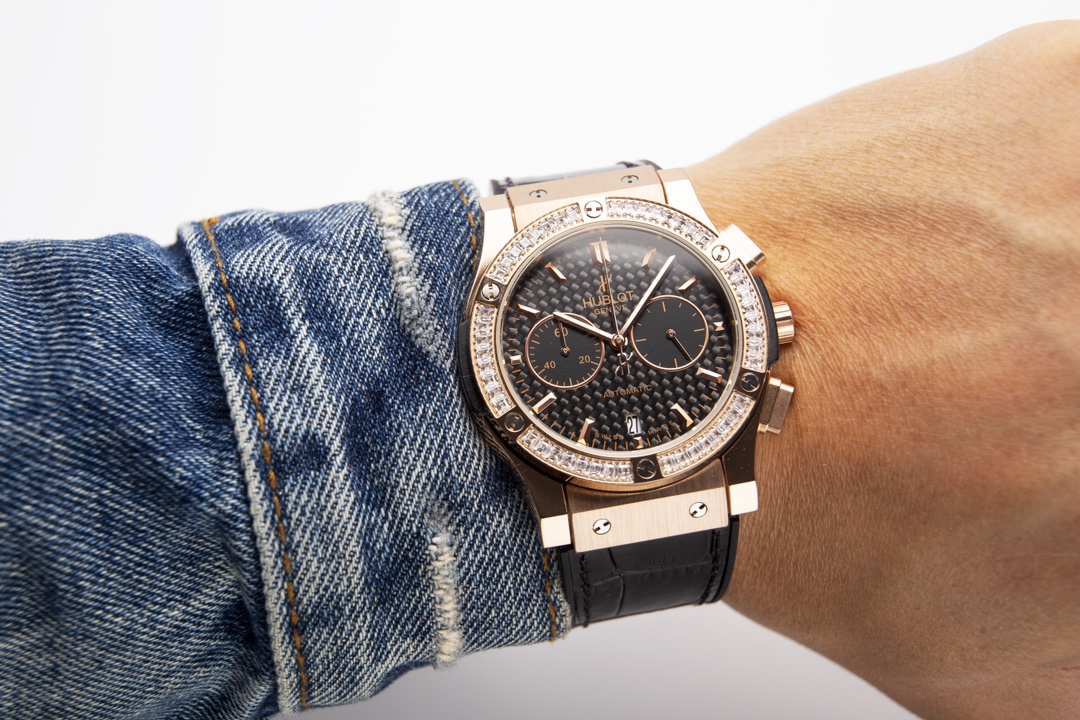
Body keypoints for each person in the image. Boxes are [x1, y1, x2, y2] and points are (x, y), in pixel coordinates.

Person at [1, 21, 1077, 720]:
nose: (619, 345)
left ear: (767, 345)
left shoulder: (720, 338)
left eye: (651, 335)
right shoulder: (576, 277)